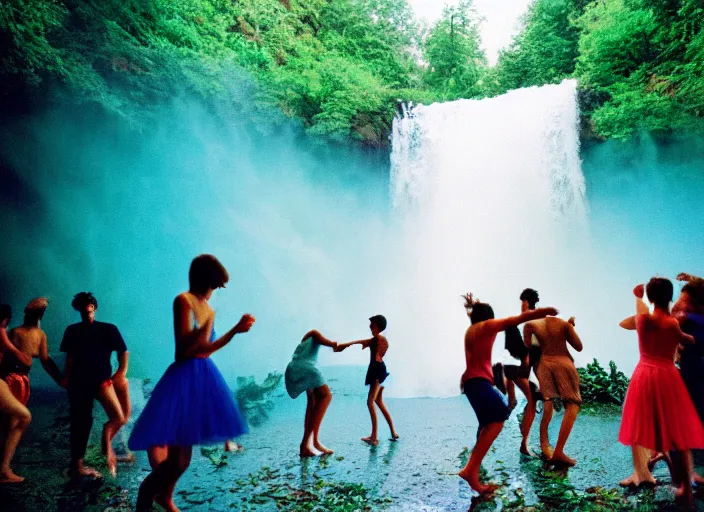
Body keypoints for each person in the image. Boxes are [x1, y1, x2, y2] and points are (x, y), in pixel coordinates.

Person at [129, 254, 254, 512]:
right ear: (205, 280)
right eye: (214, 286)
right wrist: (207, 328)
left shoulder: (208, 309)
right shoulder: (183, 300)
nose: (214, 292)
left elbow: (207, 350)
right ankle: (146, 498)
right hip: (184, 379)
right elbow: (183, 350)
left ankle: (160, 497)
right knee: (178, 458)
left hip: (202, 376)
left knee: (182, 460)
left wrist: (234, 331)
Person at [458, 293, 557, 495]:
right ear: (488, 317)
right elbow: (516, 320)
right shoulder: (486, 326)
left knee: (487, 423)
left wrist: (471, 306)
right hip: (478, 382)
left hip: (471, 382)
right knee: (500, 414)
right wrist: (545, 311)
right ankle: (471, 469)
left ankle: (473, 468)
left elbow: (474, 316)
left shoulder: (471, 330)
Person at [618, 279, 704, 505]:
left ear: (651, 297)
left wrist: (637, 296)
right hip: (668, 375)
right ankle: (685, 487)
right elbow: (684, 338)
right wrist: (688, 339)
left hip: (645, 373)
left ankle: (642, 471)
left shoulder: (644, 319)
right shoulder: (673, 324)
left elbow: (630, 319)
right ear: (670, 297)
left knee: (641, 420)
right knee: (678, 430)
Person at [60, 292, 130, 478]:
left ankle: (106, 446)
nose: (87, 306)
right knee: (80, 422)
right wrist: (66, 378)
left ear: (94, 306)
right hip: (78, 381)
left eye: (90, 303)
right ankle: (77, 465)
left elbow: (123, 351)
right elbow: (70, 357)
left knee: (118, 417)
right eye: (83, 303)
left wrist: (121, 372)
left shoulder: (108, 329)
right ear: (78, 307)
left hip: (102, 380)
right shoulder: (72, 330)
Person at [524, 301, 584, 466]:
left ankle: (544, 445)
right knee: (572, 404)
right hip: (563, 364)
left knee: (548, 402)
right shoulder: (563, 324)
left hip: (543, 365)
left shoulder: (530, 325)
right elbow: (578, 346)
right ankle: (558, 451)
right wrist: (571, 326)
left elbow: (529, 345)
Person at [335, 315, 399, 446]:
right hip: (379, 370)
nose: (370, 326)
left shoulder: (379, 339)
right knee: (378, 401)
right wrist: (344, 345)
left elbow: (377, 349)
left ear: (378, 326)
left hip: (377, 371)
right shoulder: (376, 339)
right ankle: (393, 432)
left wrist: (344, 345)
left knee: (370, 402)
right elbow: (361, 341)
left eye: (373, 325)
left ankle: (374, 438)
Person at [285, 330, 338, 457]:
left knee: (313, 401)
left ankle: (310, 443)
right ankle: (308, 443)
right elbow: (330, 343)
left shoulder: (305, 343)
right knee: (327, 396)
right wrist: (335, 345)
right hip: (306, 369)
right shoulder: (315, 333)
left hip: (294, 368)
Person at [4, 298, 64, 405]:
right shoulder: (38, 334)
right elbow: (45, 361)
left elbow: (45, 360)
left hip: (12, 378)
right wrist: (59, 379)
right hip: (15, 380)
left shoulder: (15, 332)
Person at [0, 304, 33, 483]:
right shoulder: (1, 330)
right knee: (24, 416)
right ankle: (4, 469)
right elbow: (13, 351)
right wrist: (26, 359)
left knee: (9, 420)